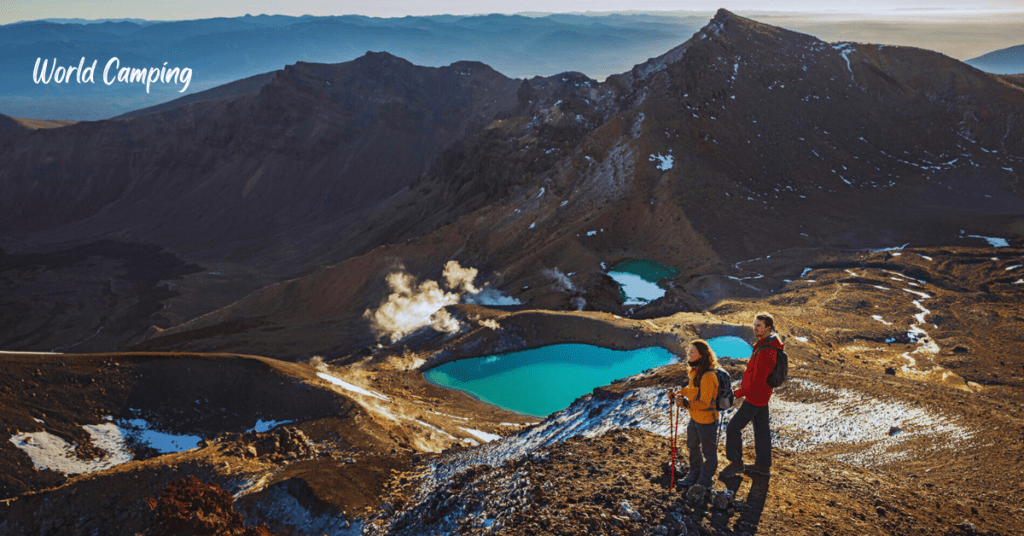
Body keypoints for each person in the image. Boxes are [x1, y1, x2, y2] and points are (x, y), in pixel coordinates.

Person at [720, 312, 783, 478]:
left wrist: (736, 394)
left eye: (759, 326)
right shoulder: (768, 345)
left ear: (768, 328)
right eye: (754, 325)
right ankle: (763, 467)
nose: (755, 328)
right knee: (762, 430)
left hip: (755, 397)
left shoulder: (765, 351)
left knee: (733, 428)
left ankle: (736, 464)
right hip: (762, 396)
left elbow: (757, 384)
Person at [668, 339, 720, 489]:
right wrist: (678, 393)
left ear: (701, 355)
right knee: (692, 445)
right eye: (688, 351)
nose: (688, 355)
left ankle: (705, 481)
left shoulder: (708, 376)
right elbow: (692, 390)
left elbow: (705, 403)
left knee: (708, 451)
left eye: (692, 352)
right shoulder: (695, 370)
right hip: (695, 417)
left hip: (707, 420)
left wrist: (686, 404)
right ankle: (693, 474)